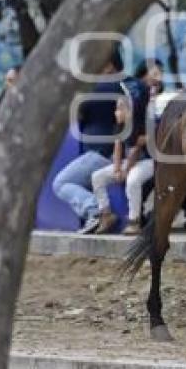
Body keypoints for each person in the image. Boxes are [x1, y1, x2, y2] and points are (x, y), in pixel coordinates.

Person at [52, 47, 125, 234]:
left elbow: (73, 109)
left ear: (109, 65)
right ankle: (97, 212)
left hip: (101, 154)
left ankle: (96, 211)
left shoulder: (106, 86)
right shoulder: (119, 86)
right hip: (106, 153)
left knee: (60, 183)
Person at [89, 59, 162, 235]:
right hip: (131, 161)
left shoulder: (139, 123)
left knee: (133, 179)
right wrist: (116, 169)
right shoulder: (120, 125)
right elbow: (118, 147)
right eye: (116, 108)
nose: (116, 112)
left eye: (120, 109)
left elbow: (136, 149)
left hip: (149, 160)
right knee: (97, 177)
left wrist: (126, 170)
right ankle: (105, 213)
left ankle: (134, 220)